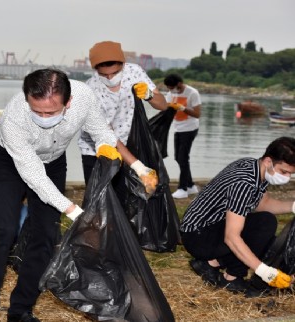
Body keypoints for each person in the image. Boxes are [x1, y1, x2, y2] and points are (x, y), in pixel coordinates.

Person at [0, 68, 158, 322]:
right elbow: (35, 178)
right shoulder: (15, 118)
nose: (42, 117)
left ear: (68, 102)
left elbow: (100, 129)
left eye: (50, 112)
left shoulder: (83, 96)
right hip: (9, 159)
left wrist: (105, 145)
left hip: (53, 158)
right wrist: (71, 210)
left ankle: (21, 309)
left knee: (46, 234)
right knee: (4, 230)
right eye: (36, 110)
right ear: (27, 98)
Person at [180, 137, 295, 297]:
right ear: (269, 161)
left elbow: (262, 203)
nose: (287, 177)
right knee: (264, 225)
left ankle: (211, 263)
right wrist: (265, 271)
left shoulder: (254, 167)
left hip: (210, 226)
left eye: (291, 173)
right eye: (284, 172)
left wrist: (293, 206)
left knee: (265, 222)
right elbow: (231, 237)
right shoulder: (244, 182)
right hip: (198, 235)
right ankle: (232, 277)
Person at [78, 41, 169, 188]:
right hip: (98, 150)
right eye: (104, 74)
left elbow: (163, 105)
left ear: (123, 64)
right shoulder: (90, 90)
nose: (110, 78)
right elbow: (107, 135)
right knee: (101, 203)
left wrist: (149, 94)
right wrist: (139, 168)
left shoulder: (135, 72)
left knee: (130, 201)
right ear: (95, 70)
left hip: (130, 145)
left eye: (115, 73)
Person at [163, 73, 202, 199]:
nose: (171, 91)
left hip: (190, 128)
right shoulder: (171, 93)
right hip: (178, 128)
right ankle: (191, 186)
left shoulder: (192, 93)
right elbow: (165, 107)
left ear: (179, 84)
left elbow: (197, 114)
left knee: (183, 158)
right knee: (178, 158)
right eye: (169, 88)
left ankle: (183, 188)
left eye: (172, 88)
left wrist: (183, 108)